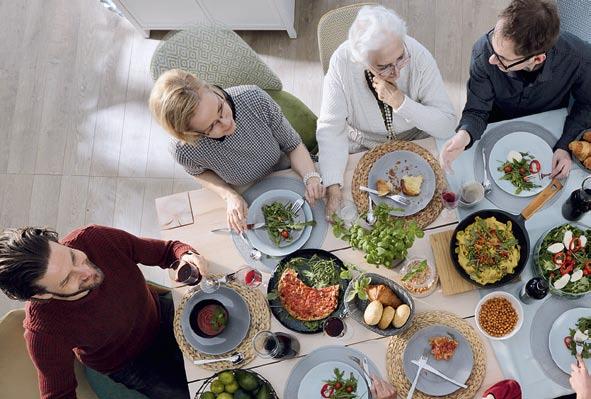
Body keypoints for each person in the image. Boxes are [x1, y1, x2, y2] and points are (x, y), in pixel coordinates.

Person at [0, 225, 207, 399]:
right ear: (42, 296)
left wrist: (187, 256)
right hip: (133, 364)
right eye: (67, 279)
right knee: (201, 393)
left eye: (73, 257)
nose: (87, 271)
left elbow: (167, 251)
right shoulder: (43, 333)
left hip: (161, 313)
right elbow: (58, 395)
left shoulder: (94, 238)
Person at [316, 4, 456, 219]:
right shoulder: (341, 63)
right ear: (361, 60)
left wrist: (401, 103)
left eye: (401, 58)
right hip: (363, 146)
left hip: (417, 140)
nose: (397, 72)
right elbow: (331, 128)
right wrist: (333, 188)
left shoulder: (417, 55)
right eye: (384, 66)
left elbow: (447, 124)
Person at [149, 70, 324, 232]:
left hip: (288, 169)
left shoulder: (253, 98)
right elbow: (198, 172)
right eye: (212, 126)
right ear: (191, 135)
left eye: (220, 108)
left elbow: (293, 145)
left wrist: (311, 177)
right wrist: (229, 196)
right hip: (247, 191)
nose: (226, 122)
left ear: (211, 89)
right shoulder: (184, 150)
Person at [440, 0, 591, 179]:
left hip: (549, 127)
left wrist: (565, 145)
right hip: (494, 122)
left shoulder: (580, 58)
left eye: (502, 58)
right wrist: (464, 135)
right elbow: (477, 110)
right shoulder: (484, 50)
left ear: (537, 59)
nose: (491, 60)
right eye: (493, 42)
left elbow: (587, 104)